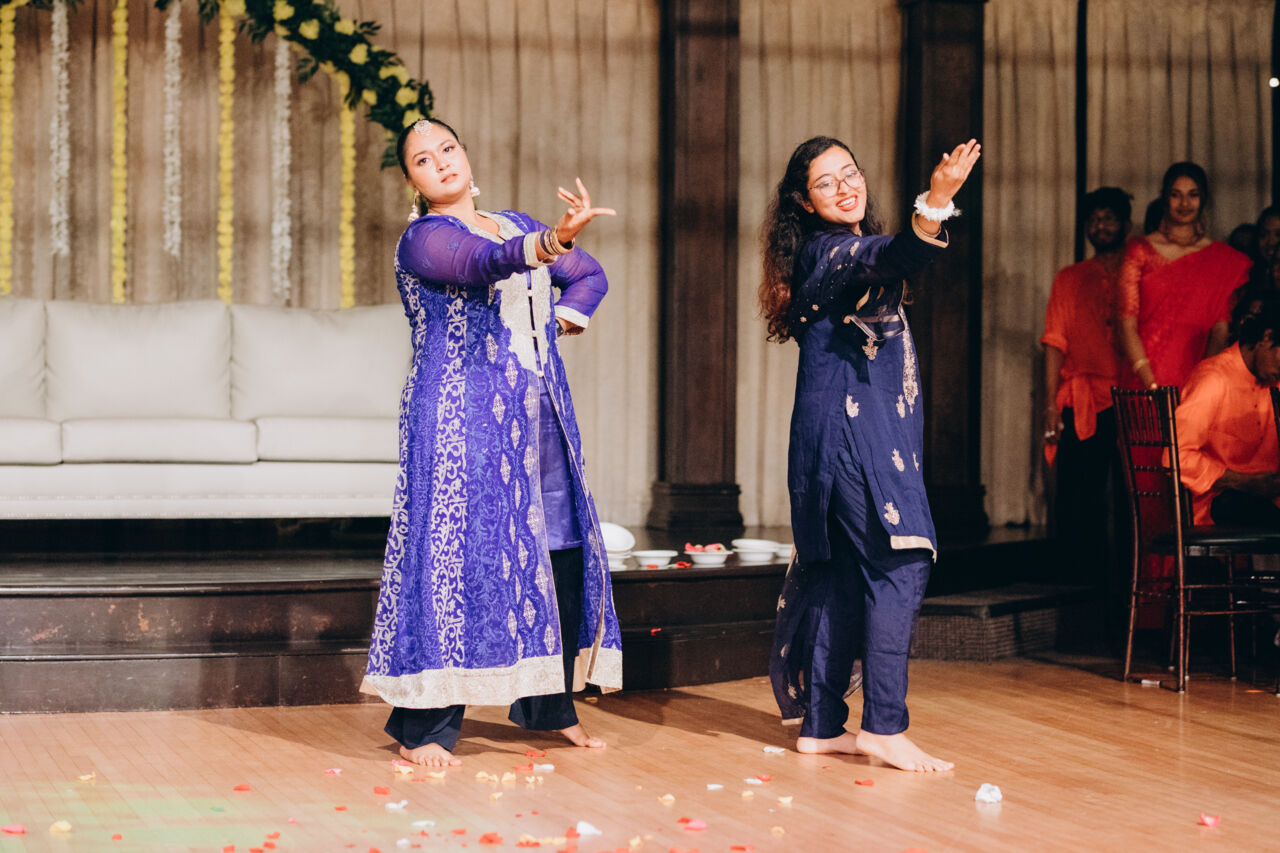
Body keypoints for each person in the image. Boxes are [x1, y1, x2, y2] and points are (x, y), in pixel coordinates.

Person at [361, 118, 622, 767]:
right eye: (424, 159)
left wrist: (561, 318)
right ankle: (424, 726)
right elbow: (482, 264)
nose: (441, 162)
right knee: (456, 555)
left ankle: (550, 706)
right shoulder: (425, 238)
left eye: (447, 148)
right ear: (412, 181)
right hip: (459, 413)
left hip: (538, 412)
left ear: (466, 154)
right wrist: (553, 240)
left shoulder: (513, 223)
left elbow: (590, 276)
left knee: (556, 546)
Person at [761, 135, 980, 773]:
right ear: (804, 202)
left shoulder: (844, 256)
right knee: (901, 562)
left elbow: (885, 259)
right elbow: (896, 252)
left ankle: (822, 726)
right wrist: (937, 200)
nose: (845, 187)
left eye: (850, 173)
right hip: (849, 437)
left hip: (836, 435)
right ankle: (884, 727)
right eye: (826, 183)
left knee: (840, 575)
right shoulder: (827, 252)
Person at [1042, 187, 1131, 589]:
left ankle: (1132, 586)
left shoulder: (1140, 271)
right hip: (1084, 400)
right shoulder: (1070, 278)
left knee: (1133, 497)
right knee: (1080, 497)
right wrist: (1049, 406)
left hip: (1133, 399)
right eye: (1094, 219)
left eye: (1108, 218)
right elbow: (1054, 342)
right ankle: (1081, 590)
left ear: (1125, 224)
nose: (1100, 226)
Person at [1117, 162, 1251, 391]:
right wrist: (1150, 382)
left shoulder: (1219, 258)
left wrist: (1201, 383)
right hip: (1142, 375)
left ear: (1203, 199)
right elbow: (1126, 323)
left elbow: (1220, 331)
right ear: (1165, 198)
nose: (1185, 204)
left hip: (1196, 377)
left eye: (1193, 195)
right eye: (1176, 195)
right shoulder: (1139, 250)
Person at [1176, 295, 1280, 526]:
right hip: (1220, 502)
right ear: (1267, 338)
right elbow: (1177, 456)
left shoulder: (1274, 380)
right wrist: (1243, 482)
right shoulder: (1214, 379)